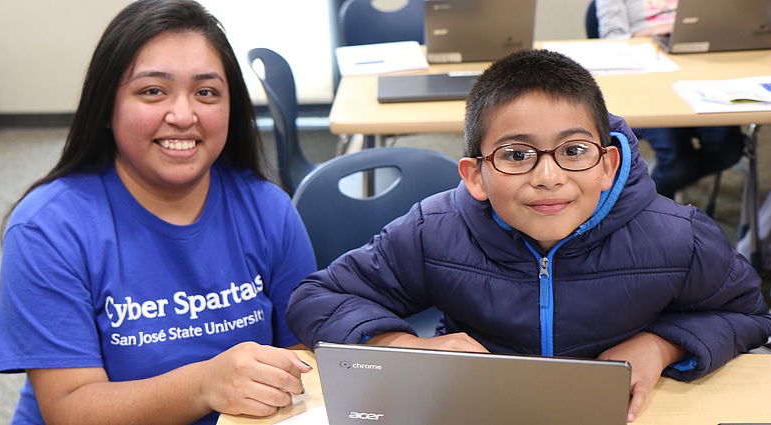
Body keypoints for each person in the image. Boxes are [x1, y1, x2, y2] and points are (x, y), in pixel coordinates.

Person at [286, 49, 771, 422]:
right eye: (517, 155)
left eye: (574, 149)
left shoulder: (677, 237)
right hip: (474, 408)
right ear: (475, 176)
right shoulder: (433, 232)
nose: (548, 176)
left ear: (608, 164)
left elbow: (747, 312)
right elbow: (316, 297)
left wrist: (663, 345)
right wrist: (402, 347)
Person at [0, 1, 316, 424]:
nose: (183, 115)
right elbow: (69, 409)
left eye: (206, 92)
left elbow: (302, 358)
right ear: (106, 109)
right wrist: (205, 385)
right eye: (152, 91)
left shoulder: (268, 208)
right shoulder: (48, 228)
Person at [595, 0, 744, 199]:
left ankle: (657, 190)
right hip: (645, 83)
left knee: (729, 148)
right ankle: (645, 206)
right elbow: (611, 38)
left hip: (698, 73)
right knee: (677, 163)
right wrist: (658, 30)